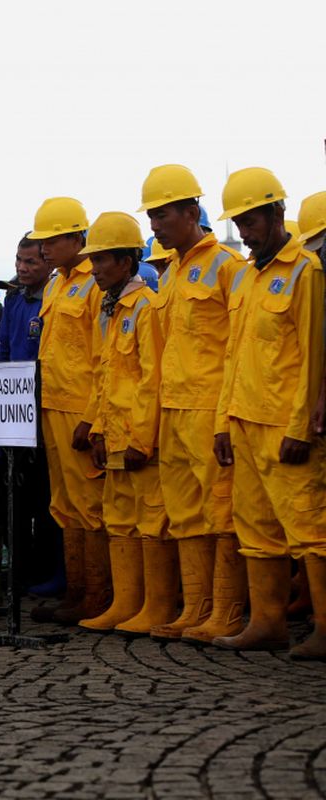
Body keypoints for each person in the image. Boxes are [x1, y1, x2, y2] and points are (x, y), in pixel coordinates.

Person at [213, 168, 326, 657]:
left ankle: (325, 628)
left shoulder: (306, 271)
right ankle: (267, 623)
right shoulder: (245, 277)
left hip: (285, 425)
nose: (245, 230)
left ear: (279, 213)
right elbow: (232, 357)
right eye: (239, 221)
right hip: (244, 421)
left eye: (253, 218)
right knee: (256, 530)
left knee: (310, 530)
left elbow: (314, 356)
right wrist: (223, 421)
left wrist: (301, 425)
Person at [137, 164, 250, 644]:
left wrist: (226, 416)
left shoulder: (227, 264)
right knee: (183, 512)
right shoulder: (173, 273)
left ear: (191, 211)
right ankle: (197, 609)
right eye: (152, 217)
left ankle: (226, 611)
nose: (154, 225)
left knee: (221, 510)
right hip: (175, 409)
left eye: (162, 215)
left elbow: (239, 348)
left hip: (210, 410)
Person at [74, 212, 170, 634]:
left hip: (137, 439)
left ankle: (156, 607)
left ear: (128, 263)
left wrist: (141, 440)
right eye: (92, 261)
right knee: (118, 518)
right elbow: (103, 373)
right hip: (112, 434)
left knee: (151, 519)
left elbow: (153, 378)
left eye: (103, 261)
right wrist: (96, 428)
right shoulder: (108, 311)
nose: (94, 270)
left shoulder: (145, 308)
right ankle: (127, 603)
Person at [25, 196, 109, 627]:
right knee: (65, 504)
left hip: (79, 410)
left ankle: (97, 595)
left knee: (90, 504)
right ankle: (76, 592)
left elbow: (103, 355)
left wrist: (93, 417)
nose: (44, 249)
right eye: (42, 242)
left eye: (52, 241)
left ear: (77, 237)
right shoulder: (56, 284)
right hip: (52, 407)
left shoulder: (96, 283)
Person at [0, 234, 64, 597]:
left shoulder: (55, 298)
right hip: (14, 411)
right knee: (16, 500)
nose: (22, 268)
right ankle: (19, 571)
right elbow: (4, 350)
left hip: (47, 408)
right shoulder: (14, 298)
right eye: (19, 261)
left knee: (48, 500)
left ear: (48, 263)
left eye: (31, 262)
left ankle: (53, 572)